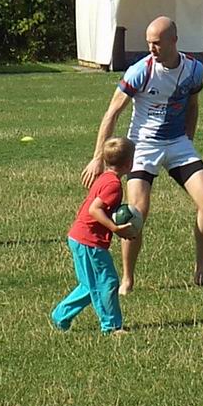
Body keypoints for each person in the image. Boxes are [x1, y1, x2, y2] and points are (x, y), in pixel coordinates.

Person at [81, 16, 203, 291]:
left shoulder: (194, 69)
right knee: (135, 213)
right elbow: (112, 113)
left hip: (178, 143)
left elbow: (193, 105)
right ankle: (127, 280)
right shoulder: (140, 71)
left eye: (156, 43)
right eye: (148, 43)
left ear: (173, 41)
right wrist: (97, 157)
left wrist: (188, 141)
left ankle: (202, 273)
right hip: (142, 147)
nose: (151, 48)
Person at [52, 137, 136, 334]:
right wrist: (115, 228)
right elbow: (94, 209)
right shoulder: (113, 185)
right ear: (129, 164)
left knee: (90, 285)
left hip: (80, 237)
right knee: (107, 282)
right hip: (89, 241)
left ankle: (60, 316)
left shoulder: (105, 178)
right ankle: (111, 327)